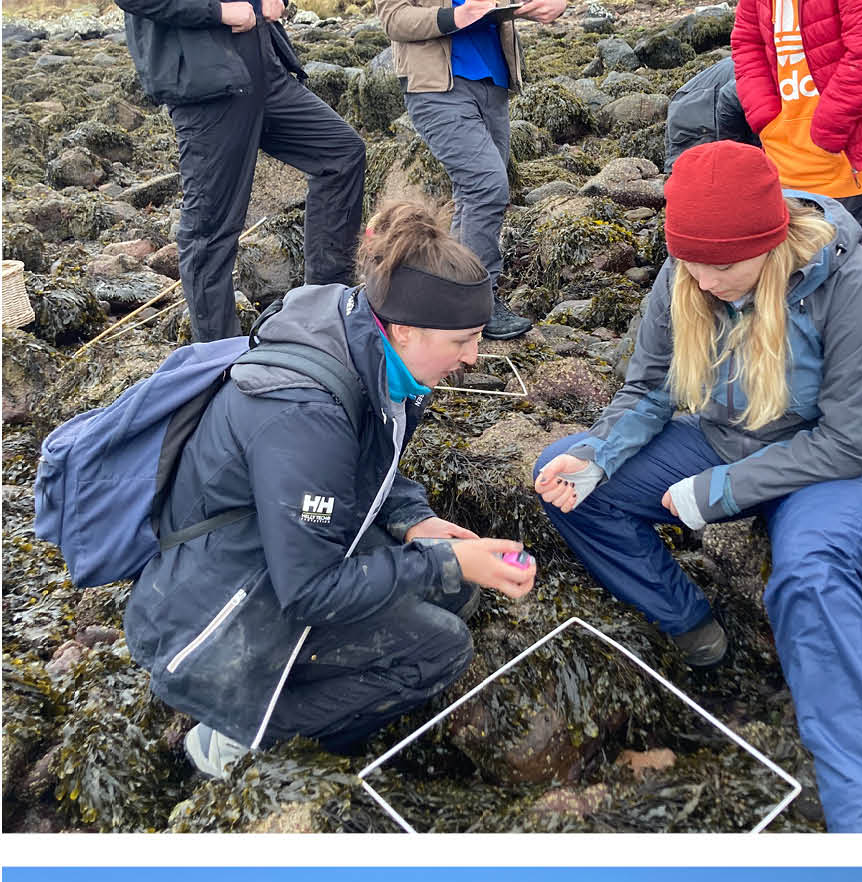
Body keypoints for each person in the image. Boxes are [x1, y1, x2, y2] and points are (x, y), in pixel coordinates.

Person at [530, 141, 862, 832]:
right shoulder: (685, 276)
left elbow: (851, 440)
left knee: (810, 577)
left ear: (771, 241)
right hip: (723, 435)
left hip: (838, 465)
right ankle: (694, 626)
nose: (707, 281)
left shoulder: (857, 286)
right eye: (693, 264)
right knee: (569, 475)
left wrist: (720, 492)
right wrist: (598, 455)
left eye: (725, 266)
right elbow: (647, 389)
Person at [129, 195, 536, 776]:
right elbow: (311, 588)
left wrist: (411, 520)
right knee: (440, 649)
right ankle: (234, 741)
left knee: (457, 594)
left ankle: (288, 692)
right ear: (407, 328)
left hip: (269, 554)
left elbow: (365, 462)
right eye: (463, 340)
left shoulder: (362, 339)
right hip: (215, 616)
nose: (473, 357)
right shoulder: (307, 414)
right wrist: (445, 560)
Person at [125, 0, 365, 342]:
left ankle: (326, 315)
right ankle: (218, 360)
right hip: (207, 85)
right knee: (209, 232)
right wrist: (219, 11)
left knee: (342, 154)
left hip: (263, 69)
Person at [380, 0, 557, 339]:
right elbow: (393, 18)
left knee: (474, 193)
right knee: (486, 186)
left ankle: (452, 294)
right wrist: (454, 17)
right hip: (436, 86)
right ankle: (477, 301)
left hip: (493, 79)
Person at [732, 0, 862, 259]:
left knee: (838, 264)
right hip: (788, 146)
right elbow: (746, 43)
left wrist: (828, 129)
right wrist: (765, 116)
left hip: (847, 140)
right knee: (805, 259)